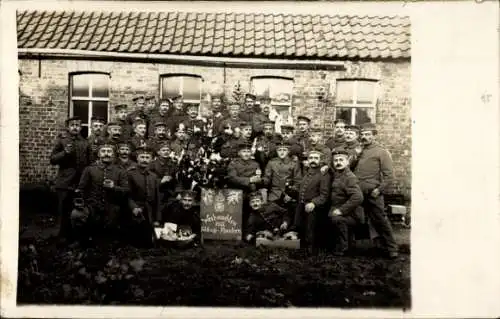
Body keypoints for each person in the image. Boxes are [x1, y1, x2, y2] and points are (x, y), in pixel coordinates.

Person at [354, 123, 399, 259]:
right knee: (357, 219)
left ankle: (392, 249)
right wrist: (355, 156)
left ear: (374, 136)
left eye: (368, 135)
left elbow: (389, 176)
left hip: (373, 193)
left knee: (380, 220)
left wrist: (379, 190)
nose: (364, 137)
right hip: (357, 192)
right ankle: (372, 246)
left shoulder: (381, 152)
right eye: (362, 135)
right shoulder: (359, 151)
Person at [73, 144, 129, 245]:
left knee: (110, 235)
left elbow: (126, 190)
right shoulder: (89, 169)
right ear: (98, 154)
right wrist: (83, 203)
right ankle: (83, 242)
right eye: (103, 151)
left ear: (113, 154)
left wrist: (114, 187)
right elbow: (81, 188)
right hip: (92, 206)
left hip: (112, 206)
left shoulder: (120, 171)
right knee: (77, 215)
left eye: (109, 151)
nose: (106, 154)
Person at [49, 116, 91, 242]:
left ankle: (76, 237)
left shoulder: (85, 143)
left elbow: (89, 163)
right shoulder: (61, 141)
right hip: (65, 182)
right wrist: (64, 153)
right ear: (68, 127)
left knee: (79, 209)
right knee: (63, 211)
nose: (75, 127)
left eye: (77, 125)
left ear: (81, 127)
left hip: (80, 182)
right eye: (72, 125)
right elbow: (52, 160)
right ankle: (61, 237)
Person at [292, 149, 331, 251]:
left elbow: (324, 195)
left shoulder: (323, 175)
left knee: (310, 224)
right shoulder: (307, 172)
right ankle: (299, 244)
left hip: (317, 207)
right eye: (311, 158)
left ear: (320, 160)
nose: (313, 160)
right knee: (297, 222)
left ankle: (311, 247)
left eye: (316, 158)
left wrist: (314, 203)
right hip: (302, 203)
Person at [328, 149, 364, 256]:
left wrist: (341, 210)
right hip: (343, 210)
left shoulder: (349, 177)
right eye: (335, 160)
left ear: (347, 162)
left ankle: (343, 249)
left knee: (337, 219)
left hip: (352, 214)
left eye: (341, 160)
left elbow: (358, 197)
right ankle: (347, 245)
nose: (338, 162)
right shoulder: (338, 174)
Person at [227, 141, 266, 230]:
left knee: (256, 203)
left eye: (248, 151)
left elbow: (259, 178)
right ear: (239, 153)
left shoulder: (255, 164)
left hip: (251, 191)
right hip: (236, 191)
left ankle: (251, 229)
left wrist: (258, 180)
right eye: (244, 151)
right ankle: (234, 229)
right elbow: (232, 178)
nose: (246, 154)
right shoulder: (234, 163)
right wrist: (249, 180)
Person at [126, 146, 161, 247]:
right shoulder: (130, 174)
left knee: (148, 243)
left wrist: (158, 218)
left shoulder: (153, 176)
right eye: (142, 157)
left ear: (151, 159)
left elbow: (157, 198)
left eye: (147, 157)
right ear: (137, 158)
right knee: (135, 242)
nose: (144, 160)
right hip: (135, 211)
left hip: (149, 212)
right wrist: (133, 207)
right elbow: (127, 195)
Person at [148, 142, 177, 210]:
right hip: (157, 194)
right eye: (163, 150)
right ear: (158, 152)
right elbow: (149, 181)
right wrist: (161, 181)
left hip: (170, 195)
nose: (166, 152)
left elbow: (176, 180)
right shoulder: (153, 164)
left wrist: (176, 193)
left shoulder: (173, 164)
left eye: (167, 150)